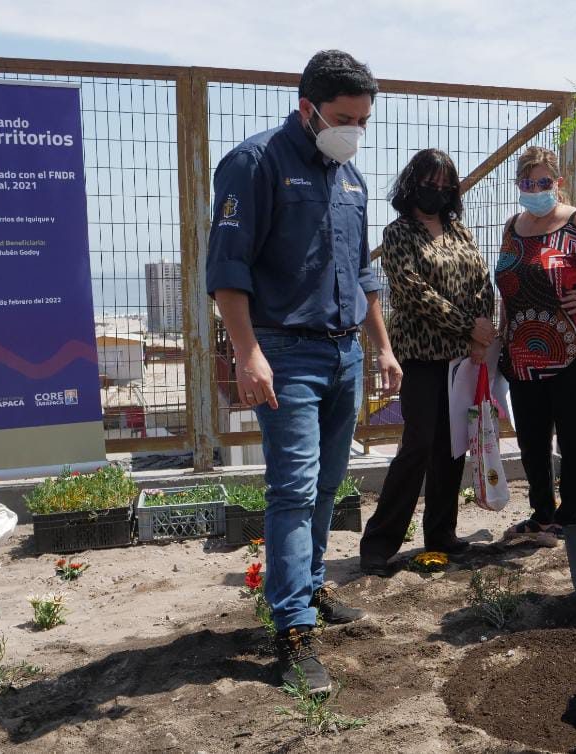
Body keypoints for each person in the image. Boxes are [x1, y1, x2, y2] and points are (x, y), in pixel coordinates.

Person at [207, 50, 401, 694]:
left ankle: (310, 591)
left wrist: (381, 346)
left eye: (363, 121)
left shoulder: (349, 177)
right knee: (292, 489)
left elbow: (363, 273)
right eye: (345, 117)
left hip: (344, 352)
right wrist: (247, 352)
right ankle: (291, 629)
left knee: (326, 487)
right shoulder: (254, 163)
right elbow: (228, 269)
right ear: (307, 108)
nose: (354, 130)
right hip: (284, 353)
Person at [359, 149, 494, 572]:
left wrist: (482, 331)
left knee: (451, 448)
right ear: (411, 184)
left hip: (461, 358)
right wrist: (467, 326)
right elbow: (414, 293)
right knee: (417, 445)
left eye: (444, 185)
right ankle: (379, 544)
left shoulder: (460, 231)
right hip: (420, 355)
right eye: (428, 183)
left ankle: (441, 532)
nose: (436, 192)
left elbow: (481, 282)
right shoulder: (399, 233)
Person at [495, 146, 576, 545]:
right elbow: (508, 286)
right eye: (528, 182)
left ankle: (570, 515)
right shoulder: (512, 226)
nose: (535, 189)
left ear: (557, 183)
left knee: (573, 438)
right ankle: (541, 514)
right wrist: (502, 336)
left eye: (544, 182)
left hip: (573, 349)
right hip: (521, 350)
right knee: (531, 438)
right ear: (519, 185)